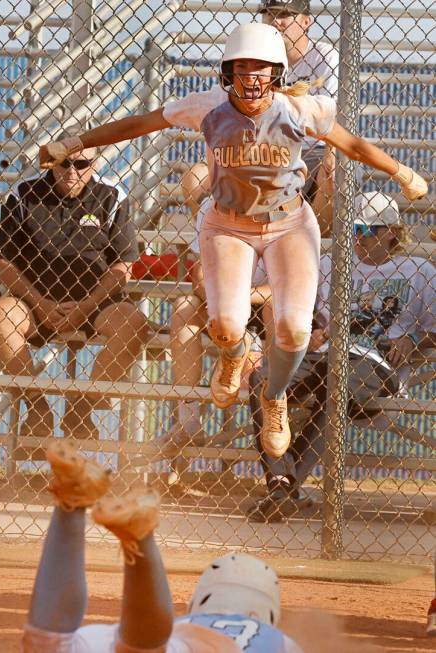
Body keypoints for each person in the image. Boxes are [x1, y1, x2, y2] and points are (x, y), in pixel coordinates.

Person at [39, 23, 427, 461]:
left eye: (262, 68)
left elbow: (352, 145)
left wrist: (400, 172)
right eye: (243, 67)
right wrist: (77, 141)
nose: (253, 77)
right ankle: (234, 354)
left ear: (277, 73)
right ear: (229, 72)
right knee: (225, 325)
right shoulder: (209, 106)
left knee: (294, 330)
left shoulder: (300, 109)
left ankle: (274, 396)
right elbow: (139, 124)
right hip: (228, 225)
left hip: (290, 225)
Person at [247, 191, 435, 522]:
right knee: (262, 378)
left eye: (366, 230)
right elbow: (298, 312)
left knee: (337, 383)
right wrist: (311, 330)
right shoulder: (326, 263)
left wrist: (414, 338)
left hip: (374, 364)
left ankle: (284, 488)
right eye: (352, 230)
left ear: (390, 231)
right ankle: (281, 482)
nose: (357, 238)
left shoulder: (419, 270)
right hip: (323, 353)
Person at [23, 440, 304, 652]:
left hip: (173, 641)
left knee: (48, 644)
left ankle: (72, 504)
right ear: (269, 613)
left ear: (199, 601)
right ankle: (138, 537)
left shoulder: (185, 623)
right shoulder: (282, 643)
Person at [0, 140, 150, 440]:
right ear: (52, 163)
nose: (72, 171)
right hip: (34, 301)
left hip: (95, 301)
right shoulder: (24, 194)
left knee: (133, 323)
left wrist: (86, 306)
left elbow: (123, 266)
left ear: (95, 165)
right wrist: (42, 303)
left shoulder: (111, 196)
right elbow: (2, 260)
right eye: (65, 163)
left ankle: (82, 408)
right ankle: (37, 407)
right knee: (0, 316)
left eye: (82, 164)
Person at [183, 0, 339, 234]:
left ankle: (306, 238)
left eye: (286, 14)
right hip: (256, 145)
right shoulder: (249, 57)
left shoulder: (325, 57)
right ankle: (211, 236)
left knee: (333, 171)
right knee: (193, 178)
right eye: (270, 15)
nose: (277, 21)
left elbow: (330, 119)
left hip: (310, 149)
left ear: (307, 21)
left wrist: (329, 156)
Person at [165, 188, 272, 468]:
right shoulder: (213, 205)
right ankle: (188, 420)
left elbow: (284, 285)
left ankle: (274, 407)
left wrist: (239, 297)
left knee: (278, 306)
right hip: (220, 298)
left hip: (262, 301)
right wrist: (217, 297)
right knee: (184, 307)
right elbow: (199, 271)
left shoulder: (283, 207)